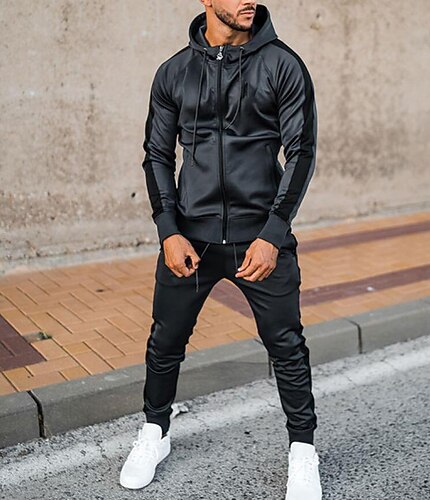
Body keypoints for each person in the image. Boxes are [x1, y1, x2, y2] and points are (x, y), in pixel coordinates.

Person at [120, 1, 321, 498]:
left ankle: (303, 451)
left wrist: (274, 233)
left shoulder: (283, 65)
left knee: (286, 345)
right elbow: (157, 154)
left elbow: (301, 152)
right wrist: (168, 230)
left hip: (260, 238)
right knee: (165, 340)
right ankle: (154, 433)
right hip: (191, 237)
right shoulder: (174, 72)